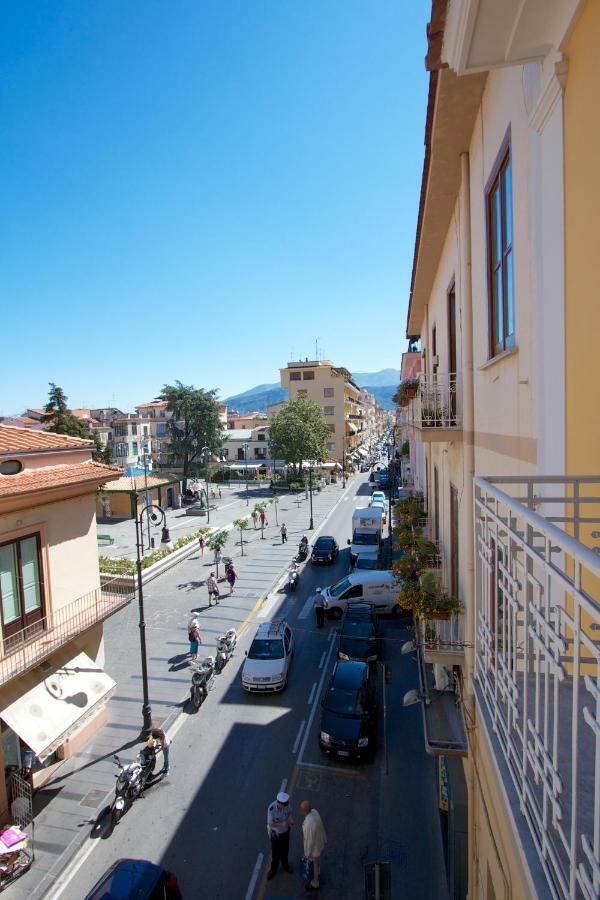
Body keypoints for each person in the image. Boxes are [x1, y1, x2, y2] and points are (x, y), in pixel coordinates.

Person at [300, 801, 327, 891]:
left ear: (304, 811)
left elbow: (309, 841)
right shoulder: (315, 811)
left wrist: (307, 854)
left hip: (314, 846)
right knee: (318, 859)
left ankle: (315, 883)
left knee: (314, 863)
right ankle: (318, 870)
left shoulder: (309, 824)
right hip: (320, 840)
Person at [267, 791, 293, 880]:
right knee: (275, 854)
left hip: (285, 833)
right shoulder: (271, 808)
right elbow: (270, 824)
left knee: (285, 851)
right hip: (276, 835)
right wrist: (282, 824)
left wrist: (290, 819)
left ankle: (285, 866)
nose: (286, 805)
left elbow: (290, 813)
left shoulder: (287, 805)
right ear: (279, 803)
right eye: (284, 804)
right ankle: (273, 870)